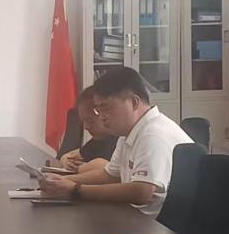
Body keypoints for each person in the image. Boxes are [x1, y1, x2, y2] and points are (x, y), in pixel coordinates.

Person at [40, 67, 192, 215]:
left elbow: (142, 192)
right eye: (98, 110)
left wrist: (75, 189)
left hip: (159, 225)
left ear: (134, 103)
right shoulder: (127, 133)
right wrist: (61, 181)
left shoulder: (153, 134)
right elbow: (109, 176)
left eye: (106, 108)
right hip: (137, 217)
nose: (102, 117)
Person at [57, 86, 118, 175]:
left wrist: (82, 169)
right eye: (83, 122)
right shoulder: (96, 142)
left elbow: (107, 170)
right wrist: (65, 160)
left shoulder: (119, 140)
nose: (86, 127)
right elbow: (68, 156)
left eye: (90, 121)